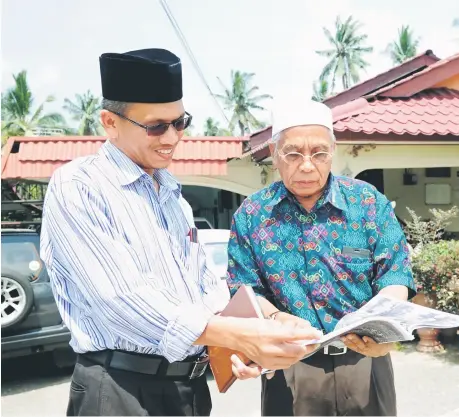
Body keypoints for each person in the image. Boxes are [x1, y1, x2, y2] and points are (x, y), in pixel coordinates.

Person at [39, 49, 321, 417]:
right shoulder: (80, 185)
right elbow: (122, 300)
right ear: (110, 122)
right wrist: (238, 335)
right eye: (156, 125)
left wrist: (263, 324)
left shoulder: (171, 193)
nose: (172, 137)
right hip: (121, 391)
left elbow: (204, 288)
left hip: (187, 390)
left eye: (180, 122)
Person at [226, 99, 417, 416]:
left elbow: (395, 275)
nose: (306, 165)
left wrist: (387, 329)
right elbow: (244, 288)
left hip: (366, 360)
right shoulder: (253, 214)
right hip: (291, 364)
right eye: (292, 153)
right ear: (275, 155)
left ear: (332, 152)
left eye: (318, 153)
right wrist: (275, 318)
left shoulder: (368, 202)